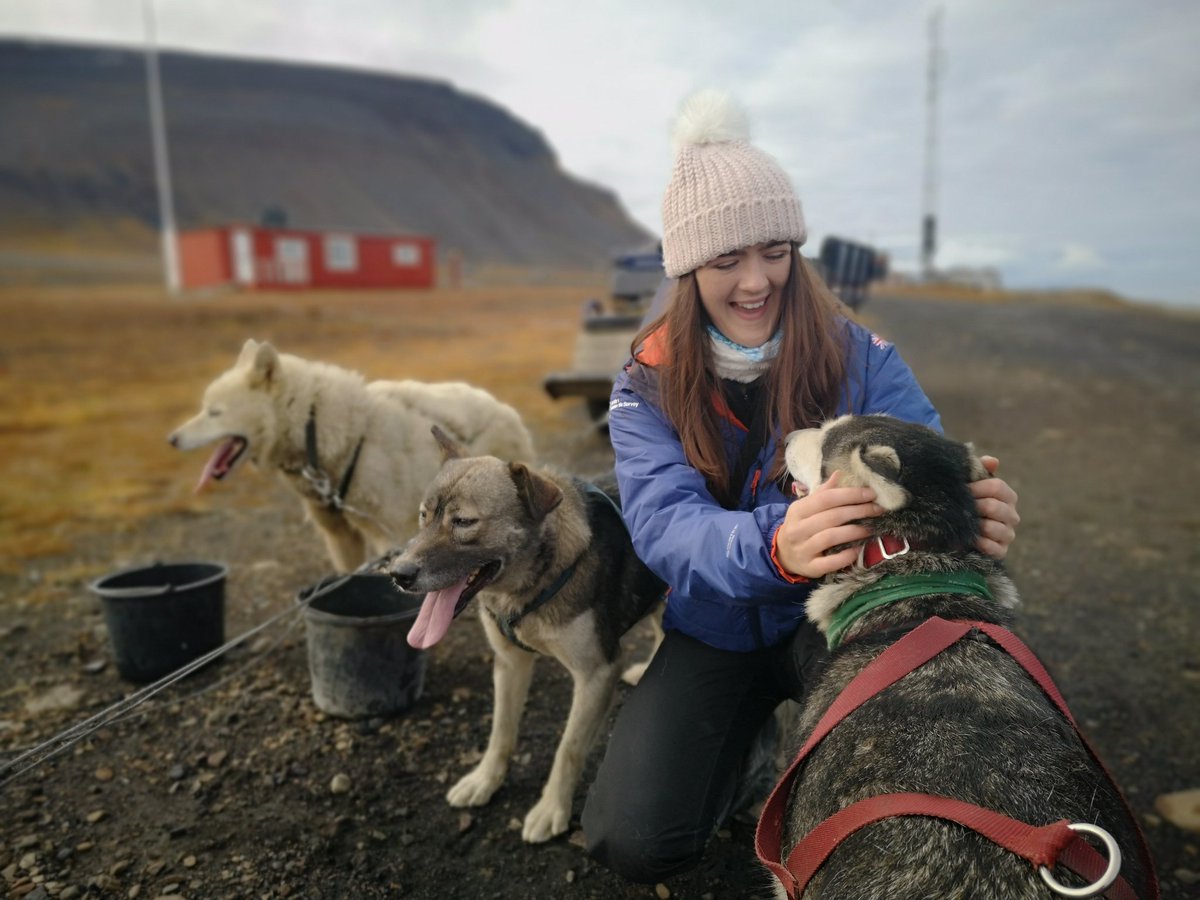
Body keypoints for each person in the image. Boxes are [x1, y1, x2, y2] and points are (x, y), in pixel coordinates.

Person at [580, 89, 1020, 883]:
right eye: (727, 260)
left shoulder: (863, 358)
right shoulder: (645, 384)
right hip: (714, 625)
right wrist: (774, 546)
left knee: (895, 826)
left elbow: (929, 459)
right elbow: (664, 526)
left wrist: (972, 502)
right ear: (687, 268)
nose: (757, 281)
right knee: (633, 842)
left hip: (851, 619)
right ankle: (743, 751)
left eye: (776, 251)